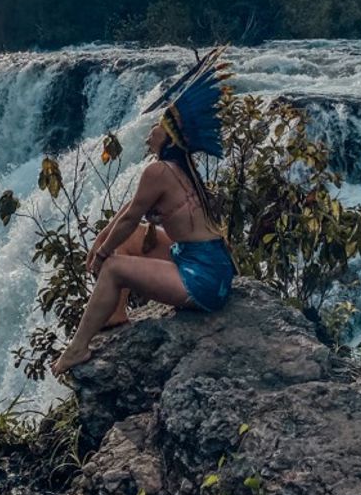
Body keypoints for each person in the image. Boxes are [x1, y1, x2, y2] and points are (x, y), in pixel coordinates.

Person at [51, 47, 238, 377]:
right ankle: (115, 313)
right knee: (133, 237)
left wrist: (102, 255)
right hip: (212, 265)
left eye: (157, 125)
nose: (149, 130)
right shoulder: (180, 170)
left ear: (169, 136)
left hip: (203, 280)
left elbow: (127, 218)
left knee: (113, 268)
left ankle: (77, 349)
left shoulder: (160, 172)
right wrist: (103, 243)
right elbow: (130, 214)